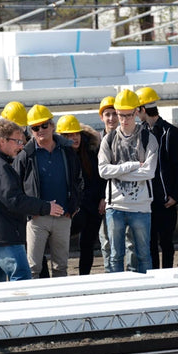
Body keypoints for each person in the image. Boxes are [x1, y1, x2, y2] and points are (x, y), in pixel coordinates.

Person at [0, 119, 64, 283]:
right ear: (2, 141)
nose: (21, 146)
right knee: (22, 277)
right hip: (4, 235)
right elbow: (14, 200)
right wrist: (45, 207)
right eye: (17, 141)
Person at [13, 104, 83, 278]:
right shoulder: (25, 155)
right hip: (37, 219)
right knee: (33, 268)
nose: (41, 130)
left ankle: (60, 303)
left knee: (61, 266)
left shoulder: (67, 151)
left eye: (44, 125)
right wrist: (30, 212)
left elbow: (79, 180)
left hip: (63, 217)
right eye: (36, 127)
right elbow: (15, 186)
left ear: (52, 126)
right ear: (31, 130)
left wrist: (73, 207)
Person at [97, 89, 158, 274]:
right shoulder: (108, 139)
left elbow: (149, 172)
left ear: (137, 112)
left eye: (129, 115)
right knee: (115, 255)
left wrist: (117, 172)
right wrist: (131, 166)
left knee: (143, 254)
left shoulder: (148, 138)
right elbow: (103, 171)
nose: (124, 120)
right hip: (115, 205)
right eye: (120, 115)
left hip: (140, 206)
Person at [136, 87, 178, 269]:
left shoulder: (169, 132)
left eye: (137, 109)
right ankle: (154, 277)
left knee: (166, 243)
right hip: (147, 200)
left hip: (166, 200)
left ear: (142, 109)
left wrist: (175, 195)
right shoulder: (140, 132)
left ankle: (167, 275)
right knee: (149, 244)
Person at [57, 115, 106, 275]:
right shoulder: (60, 155)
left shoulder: (91, 152)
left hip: (92, 205)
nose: (74, 138)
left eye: (76, 134)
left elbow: (99, 179)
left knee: (88, 244)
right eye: (69, 135)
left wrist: (102, 198)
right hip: (71, 208)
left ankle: (84, 276)